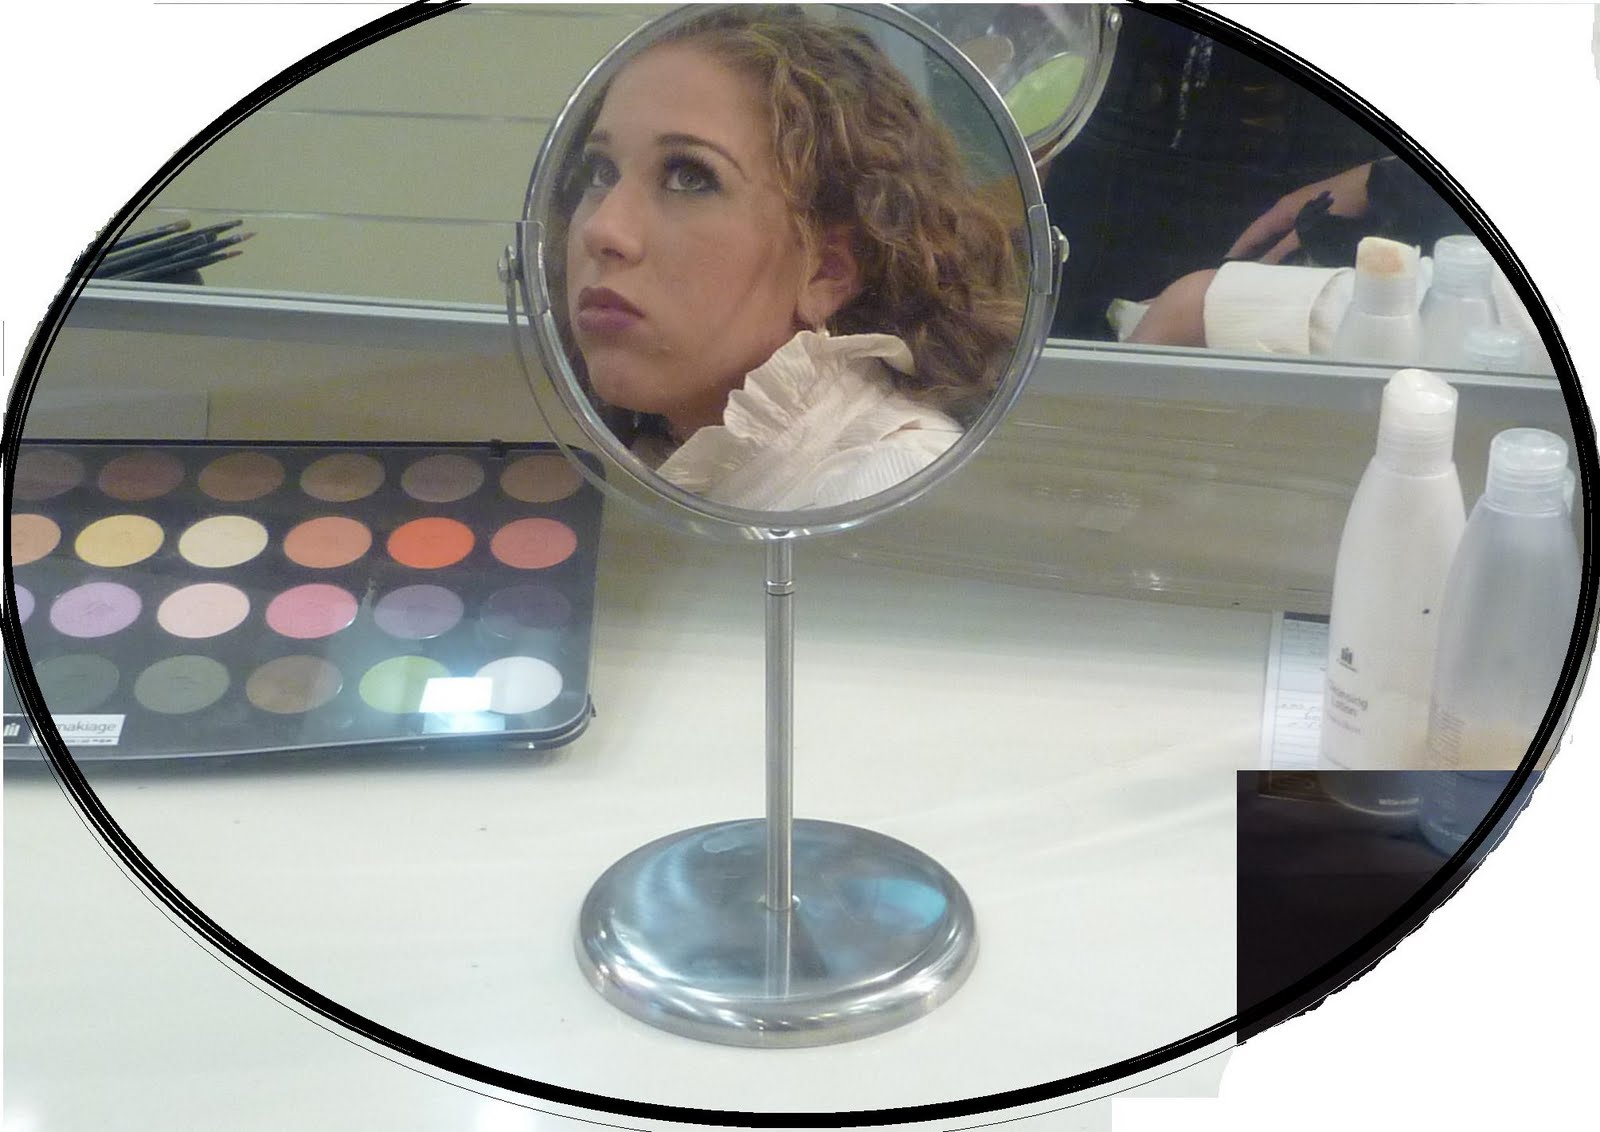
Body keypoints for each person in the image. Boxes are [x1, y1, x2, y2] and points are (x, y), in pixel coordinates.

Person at [555, 5, 1027, 511]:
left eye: (690, 177)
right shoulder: (651, 461)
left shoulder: (882, 484)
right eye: (601, 171)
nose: (602, 229)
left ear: (827, 271)